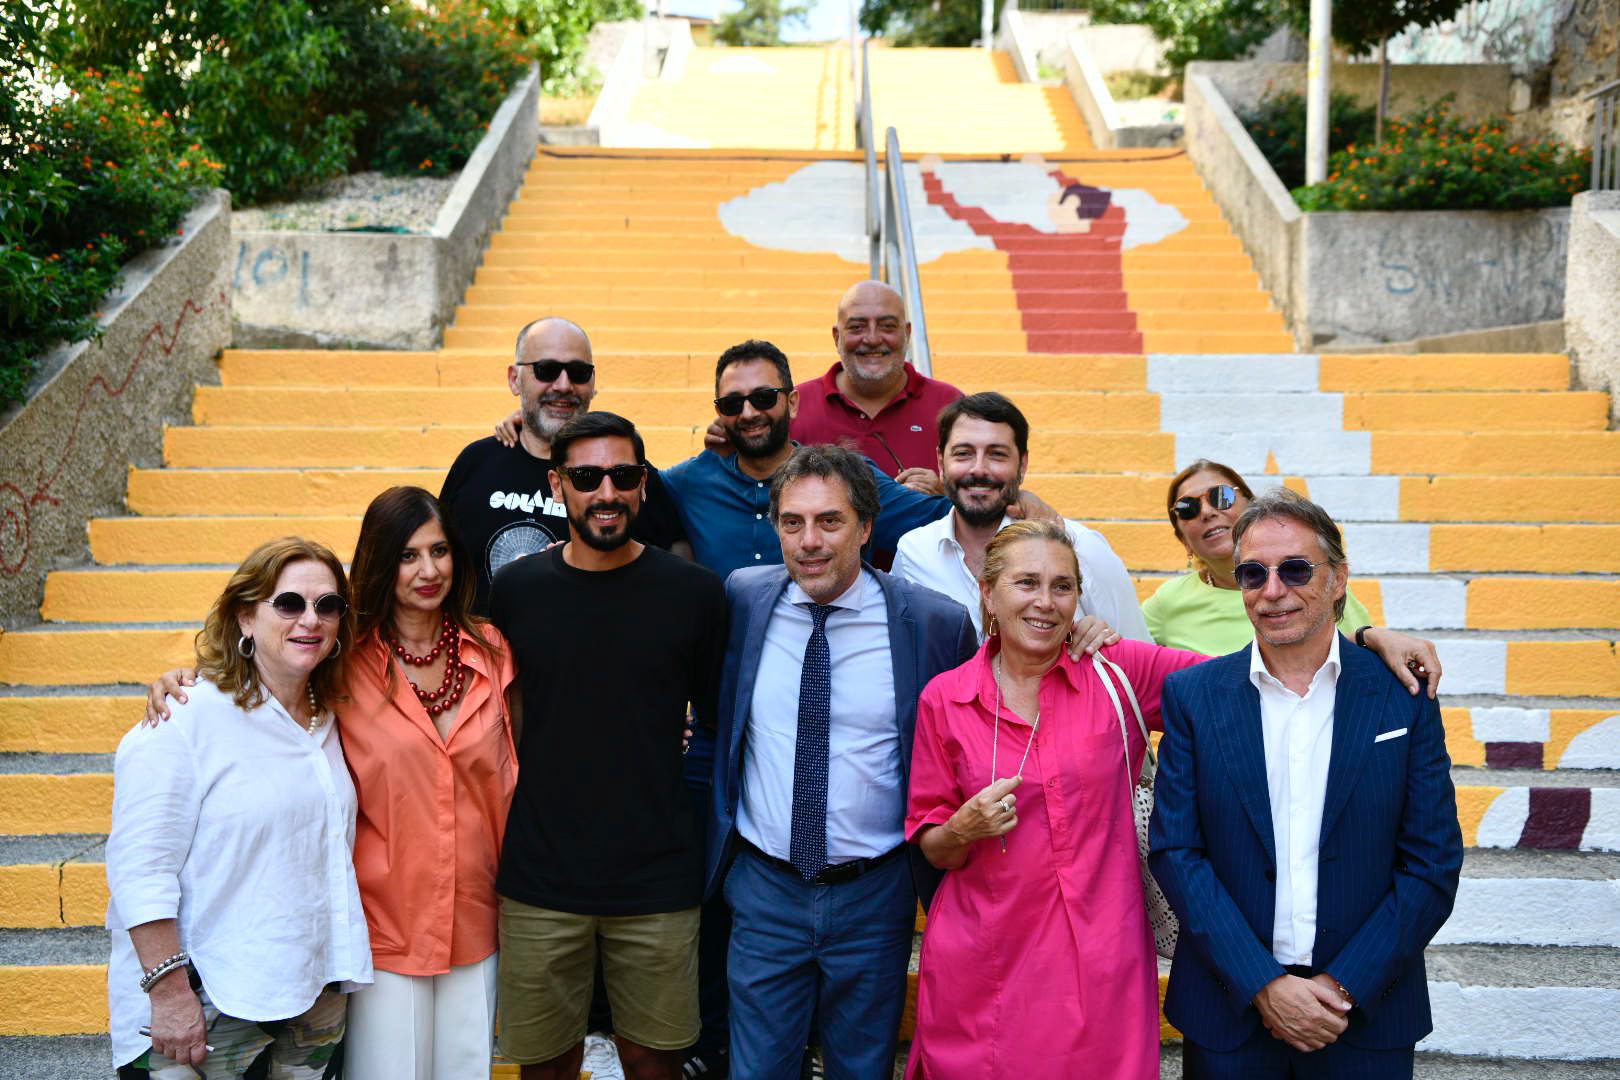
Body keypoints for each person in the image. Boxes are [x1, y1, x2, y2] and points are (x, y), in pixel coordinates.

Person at [141, 489, 520, 1079]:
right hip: (383, 923)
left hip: (477, 912)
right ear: (381, 562)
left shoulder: (494, 653)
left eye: (439, 550)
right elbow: (268, 675)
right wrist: (184, 680)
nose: (428, 570)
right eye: (408, 555)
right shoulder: (345, 661)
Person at [1150, 488, 1464, 1079]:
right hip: (1229, 1015)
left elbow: (1432, 861)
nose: (1273, 590)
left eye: (1295, 570)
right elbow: (1176, 852)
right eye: (1253, 573)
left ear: (1338, 578)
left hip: (1365, 1015)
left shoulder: (1403, 696)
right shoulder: (1193, 697)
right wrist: (1262, 984)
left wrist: (1343, 986)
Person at [707, 444, 979, 1080]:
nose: (809, 541)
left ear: (865, 527)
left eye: (829, 521)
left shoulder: (934, 625)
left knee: (862, 1068)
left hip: (875, 894)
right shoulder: (743, 598)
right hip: (764, 889)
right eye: (792, 522)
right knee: (756, 1071)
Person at [905, 520, 1203, 1078]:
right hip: (985, 963)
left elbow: (1245, 683)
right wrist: (963, 828)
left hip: (1102, 958)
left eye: (1062, 586)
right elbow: (936, 850)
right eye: (1027, 583)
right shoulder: (945, 699)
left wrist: (1362, 641)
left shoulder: (1119, 671)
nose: (1045, 601)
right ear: (988, 593)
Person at [490, 411, 727, 1080]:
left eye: (623, 475)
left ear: (644, 484)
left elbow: (716, 717)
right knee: (544, 1064)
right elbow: (504, 717)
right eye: (588, 477)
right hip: (541, 873)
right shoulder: (516, 591)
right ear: (557, 484)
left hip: (657, 874)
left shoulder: (694, 593)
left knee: (655, 1060)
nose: (607, 492)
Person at [107, 537, 372, 1078]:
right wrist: (170, 994)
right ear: (245, 617)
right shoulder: (186, 718)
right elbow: (140, 868)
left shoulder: (331, 719)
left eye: (327, 606)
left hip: (312, 996)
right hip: (205, 1005)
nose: (311, 620)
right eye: (289, 603)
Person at [441, 315, 687, 613]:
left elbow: (678, 563)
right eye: (546, 370)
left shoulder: (625, 476)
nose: (563, 385)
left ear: (593, 382)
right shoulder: (475, 463)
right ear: (514, 379)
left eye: (579, 372)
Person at [663, 339, 955, 579]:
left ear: (792, 403)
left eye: (764, 398)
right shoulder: (690, 481)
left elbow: (948, 520)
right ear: (719, 412)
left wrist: (956, 491)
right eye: (732, 403)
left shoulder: (845, 476)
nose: (749, 413)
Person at [892, 391, 1151, 644]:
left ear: (1022, 465)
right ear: (940, 462)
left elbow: (1138, 654)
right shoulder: (914, 552)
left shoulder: (1080, 546)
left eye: (997, 454)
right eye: (963, 453)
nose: (979, 469)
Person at [1143, 459, 1373, 655]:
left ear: (1252, 507)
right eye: (1187, 508)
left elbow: (1362, 652)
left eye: (1221, 496)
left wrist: (1376, 638)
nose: (1206, 512)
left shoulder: (1316, 580)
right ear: (1183, 539)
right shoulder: (1168, 603)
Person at [787, 280, 962, 489]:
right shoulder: (796, 407)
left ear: (907, 334)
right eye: (857, 327)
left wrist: (945, 497)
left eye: (887, 326)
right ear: (837, 337)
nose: (872, 339)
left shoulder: (949, 404)